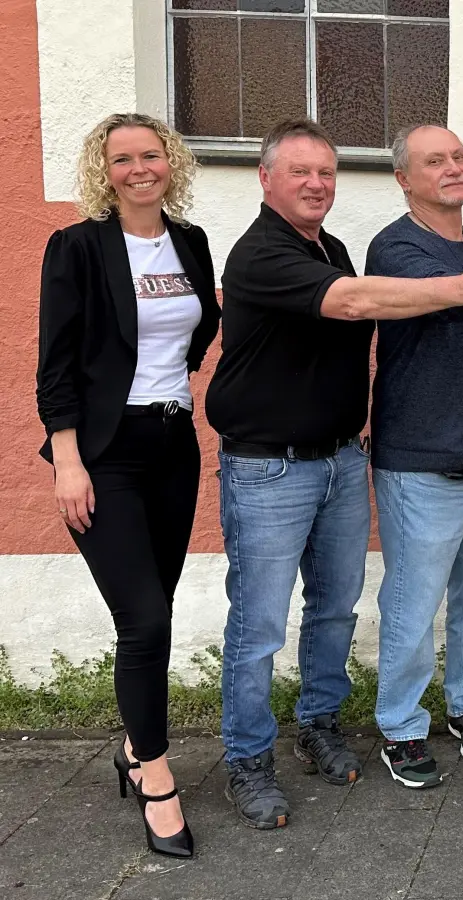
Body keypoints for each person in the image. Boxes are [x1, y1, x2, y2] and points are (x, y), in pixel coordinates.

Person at [209, 118, 463, 829]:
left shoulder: (330, 246)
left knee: (335, 609)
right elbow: (353, 302)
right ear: (265, 178)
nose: (316, 184)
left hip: (342, 457)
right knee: (258, 628)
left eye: (326, 173)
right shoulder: (260, 254)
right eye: (300, 172)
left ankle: (318, 726)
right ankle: (247, 761)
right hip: (269, 469)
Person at [36, 113, 219, 858]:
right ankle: (157, 776)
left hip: (174, 442)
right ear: (104, 171)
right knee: (142, 619)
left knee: (158, 612)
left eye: (151, 155)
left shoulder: (192, 243)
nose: (139, 168)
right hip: (104, 453)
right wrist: (68, 461)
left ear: (169, 163)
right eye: (122, 159)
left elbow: (201, 328)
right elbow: (55, 364)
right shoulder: (77, 247)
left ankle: (131, 745)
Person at [365, 125, 463, 789]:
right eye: (436, 161)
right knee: (413, 598)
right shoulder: (396, 246)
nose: (453, 168)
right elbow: (458, 293)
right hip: (423, 465)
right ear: (406, 178)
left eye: (459, 156)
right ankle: (401, 726)